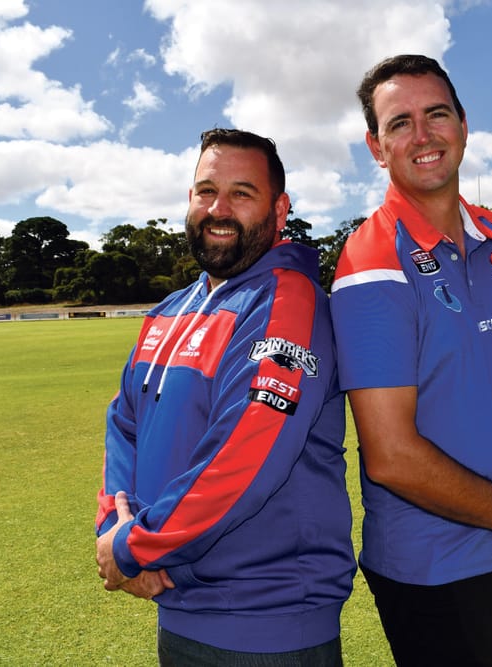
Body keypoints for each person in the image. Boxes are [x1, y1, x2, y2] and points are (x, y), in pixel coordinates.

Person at [330, 55, 492, 666]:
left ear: (464, 125)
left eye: (437, 114)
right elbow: (392, 456)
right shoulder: (371, 261)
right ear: (376, 146)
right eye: (400, 123)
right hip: (437, 573)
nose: (422, 136)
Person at [95, 128, 355, 666]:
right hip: (178, 605)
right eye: (205, 190)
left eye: (242, 192)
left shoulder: (290, 301)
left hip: (271, 624)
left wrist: (131, 547)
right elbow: (124, 424)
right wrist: (114, 524)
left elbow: (246, 455)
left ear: (279, 209)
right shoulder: (169, 311)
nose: (219, 208)